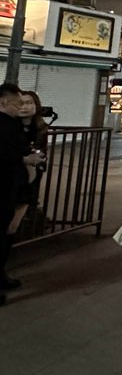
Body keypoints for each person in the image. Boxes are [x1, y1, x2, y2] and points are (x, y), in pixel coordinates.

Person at [0, 83, 42, 303]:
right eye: (18, 103)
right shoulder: (5, 125)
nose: (21, 107)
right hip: (6, 185)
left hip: (13, 186)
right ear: (4, 102)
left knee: (8, 232)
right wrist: (26, 159)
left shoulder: (14, 125)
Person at [5, 91, 49, 264]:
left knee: (13, 226)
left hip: (29, 181)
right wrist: (26, 159)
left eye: (29, 102)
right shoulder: (9, 127)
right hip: (11, 180)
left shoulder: (40, 129)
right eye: (21, 103)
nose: (25, 107)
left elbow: (41, 153)